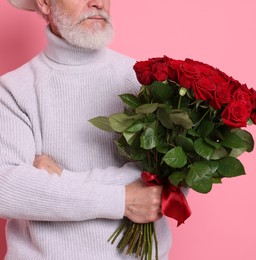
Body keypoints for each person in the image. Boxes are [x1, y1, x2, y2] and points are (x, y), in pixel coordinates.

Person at [0, 0, 172, 259]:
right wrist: (121, 199)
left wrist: (62, 177)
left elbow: (171, 182)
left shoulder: (142, 81)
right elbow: (7, 190)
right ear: (46, 3)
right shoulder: (13, 90)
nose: (99, 3)